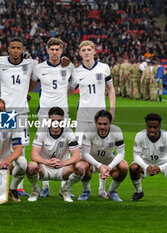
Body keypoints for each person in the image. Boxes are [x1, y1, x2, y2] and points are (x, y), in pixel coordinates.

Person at [0, 37, 38, 196]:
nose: (16, 50)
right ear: (8, 49)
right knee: (5, 149)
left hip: (22, 112)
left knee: (22, 149)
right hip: (6, 113)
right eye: (13, 47)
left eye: (19, 47)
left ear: (23, 49)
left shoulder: (31, 63)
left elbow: (36, 79)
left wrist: (26, 92)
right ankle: (3, 184)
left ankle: (18, 186)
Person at [69, 40, 116, 200]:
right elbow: (68, 91)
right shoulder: (76, 72)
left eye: (89, 49)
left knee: (102, 152)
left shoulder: (104, 68)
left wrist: (112, 109)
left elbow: (111, 89)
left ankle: (102, 190)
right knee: (82, 154)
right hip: (82, 118)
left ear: (94, 52)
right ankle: (86, 189)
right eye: (83, 50)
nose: (87, 52)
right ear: (80, 53)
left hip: (101, 117)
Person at [30, 37, 74, 197]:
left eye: (57, 50)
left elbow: (74, 86)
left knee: (67, 145)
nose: (54, 52)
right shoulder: (39, 68)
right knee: (42, 147)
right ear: (47, 50)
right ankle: (45, 186)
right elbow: (31, 86)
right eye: (52, 49)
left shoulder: (69, 67)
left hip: (63, 113)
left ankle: (64, 187)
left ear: (62, 51)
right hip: (44, 113)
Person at [26, 107, 82, 202]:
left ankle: (65, 189)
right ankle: (35, 190)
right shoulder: (42, 131)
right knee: (31, 166)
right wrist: (47, 162)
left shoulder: (68, 132)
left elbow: (77, 156)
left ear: (63, 121)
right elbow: (33, 155)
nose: (56, 124)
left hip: (62, 169)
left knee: (81, 166)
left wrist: (63, 163)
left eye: (59, 121)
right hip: (44, 168)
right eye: (53, 121)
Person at [130, 113, 167, 203]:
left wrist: (160, 168)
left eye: (155, 127)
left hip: (163, 162)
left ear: (159, 126)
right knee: (133, 167)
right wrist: (146, 167)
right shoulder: (140, 135)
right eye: (149, 127)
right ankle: (138, 192)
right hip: (146, 161)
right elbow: (136, 156)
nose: (152, 130)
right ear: (146, 125)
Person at [76, 110, 127, 201]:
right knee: (81, 166)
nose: (102, 127)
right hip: (91, 161)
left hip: (108, 160)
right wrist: (99, 166)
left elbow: (121, 153)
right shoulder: (89, 130)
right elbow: (85, 154)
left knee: (124, 166)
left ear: (110, 123)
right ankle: (86, 191)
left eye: (105, 124)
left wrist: (109, 167)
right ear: (95, 123)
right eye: (99, 124)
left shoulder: (117, 131)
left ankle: (112, 191)